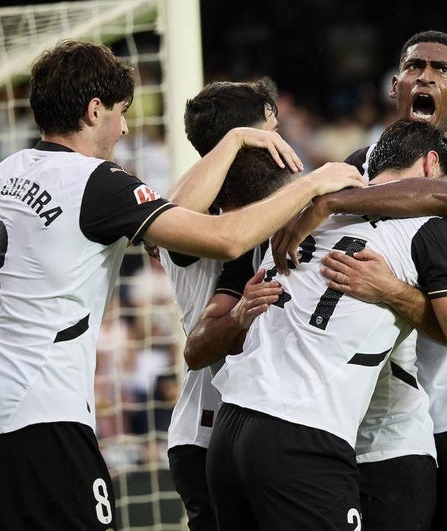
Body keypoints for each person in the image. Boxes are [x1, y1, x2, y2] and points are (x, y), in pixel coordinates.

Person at [0, 40, 363, 531]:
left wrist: (228, 142)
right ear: (93, 109)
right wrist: (313, 185)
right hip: (42, 420)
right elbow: (225, 238)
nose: (123, 128)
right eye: (121, 113)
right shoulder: (97, 183)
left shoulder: (5, 173)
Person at [273, 30, 447, 529]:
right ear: (396, 86)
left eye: (441, 70)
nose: (425, 75)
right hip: (401, 413)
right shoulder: (361, 164)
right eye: (414, 67)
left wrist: (331, 201)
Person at [205, 118, 447, 531]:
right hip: (304, 438)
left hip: (230, 428)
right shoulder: (428, 231)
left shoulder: (302, 209)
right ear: (430, 166)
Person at [162, 77, 287, 531]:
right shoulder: (202, 214)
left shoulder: (267, 201)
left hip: (265, 425)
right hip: (207, 427)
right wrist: (235, 140)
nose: (281, 143)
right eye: (272, 131)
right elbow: (176, 218)